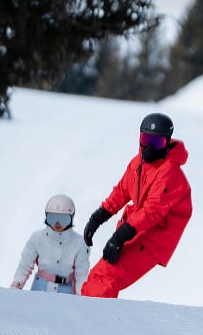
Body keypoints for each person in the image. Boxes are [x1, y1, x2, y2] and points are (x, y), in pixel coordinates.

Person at [81, 112, 192, 299]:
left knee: (108, 277)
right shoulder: (138, 162)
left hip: (155, 238)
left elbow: (152, 211)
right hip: (138, 229)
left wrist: (119, 237)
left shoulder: (170, 172)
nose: (149, 146)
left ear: (166, 143)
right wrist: (97, 218)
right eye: (145, 138)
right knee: (98, 274)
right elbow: (122, 191)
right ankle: (83, 312)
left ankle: (94, 320)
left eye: (157, 143)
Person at [11, 194, 90, 294]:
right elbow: (25, 265)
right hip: (40, 289)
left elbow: (82, 274)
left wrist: (82, 297)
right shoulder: (37, 237)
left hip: (66, 293)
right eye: (52, 218)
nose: (57, 223)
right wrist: (16, 286)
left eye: (63, 219)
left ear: (71, 217)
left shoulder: (80, 242)